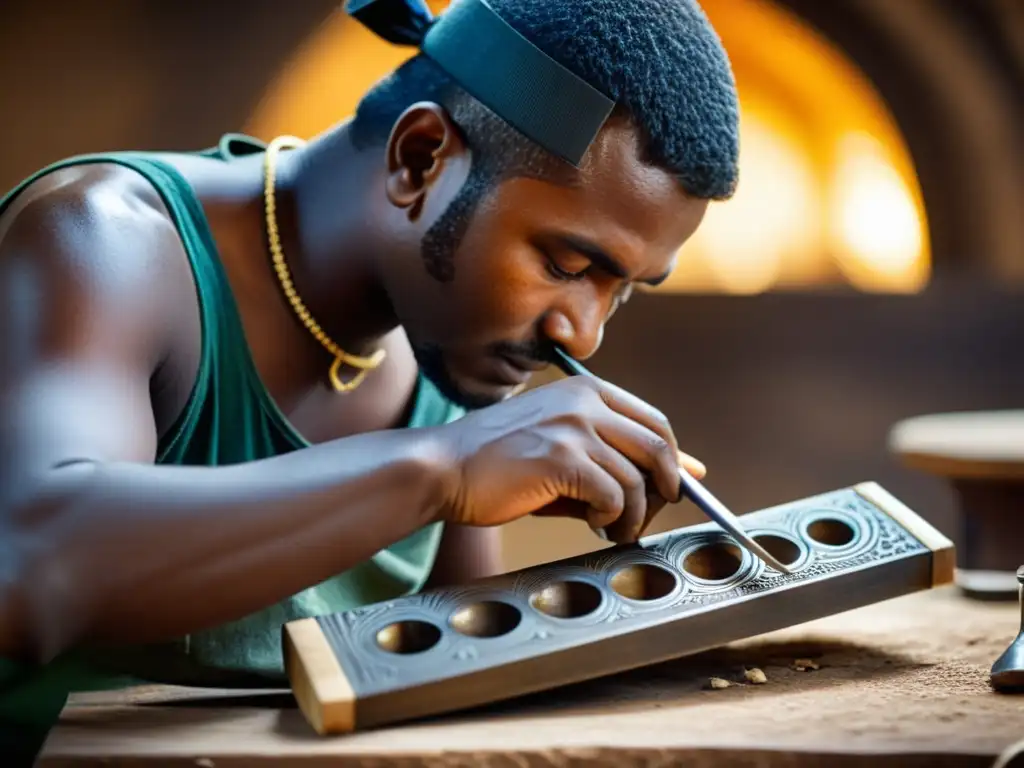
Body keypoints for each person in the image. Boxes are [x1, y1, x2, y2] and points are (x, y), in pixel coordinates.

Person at [0, 0, 739, 757]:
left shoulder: (450, 350)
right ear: (420, 158)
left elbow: (459, 682)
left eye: (623, 290)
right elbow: (30, 569)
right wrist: (441, 471)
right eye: (567, 266)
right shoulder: (108, 242)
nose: (581, 333)